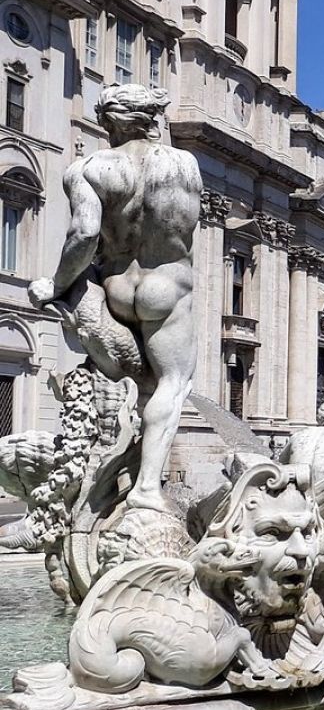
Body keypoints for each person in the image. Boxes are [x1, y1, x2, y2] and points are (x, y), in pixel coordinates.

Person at [29, 84, 200, 513]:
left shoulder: (87, 167)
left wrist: (55, 282)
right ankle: (145, 487)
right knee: (171, 384)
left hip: (116, 286)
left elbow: (84, 234)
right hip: (168, 283)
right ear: (152, 119)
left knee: (128, 379)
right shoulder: (185, 164)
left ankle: (112, 472)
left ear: (107, 121)